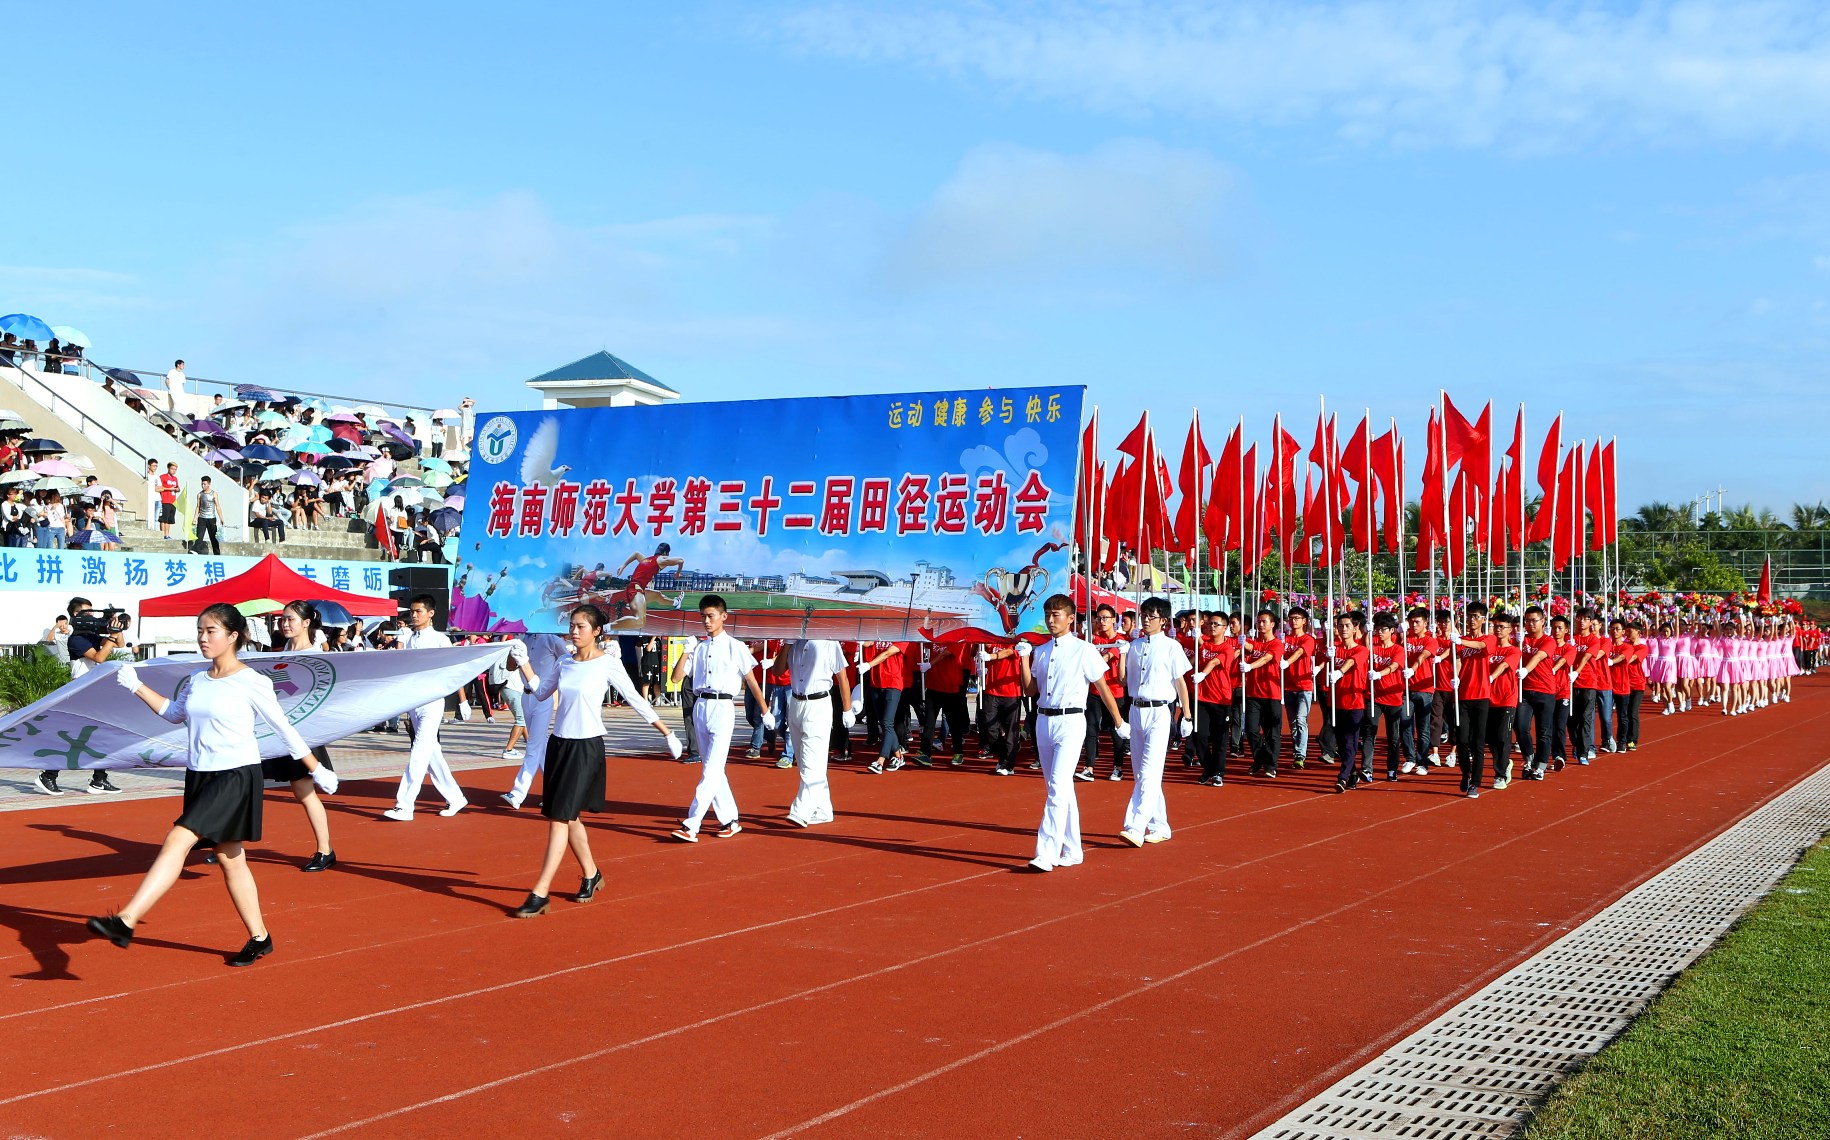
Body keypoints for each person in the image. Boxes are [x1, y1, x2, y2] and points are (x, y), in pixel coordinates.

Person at [88, 603, 336, 966]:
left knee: (178, 838)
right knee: (229, 859)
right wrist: (137, 685)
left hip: (236, 776)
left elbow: (285, 730)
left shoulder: (253, 681)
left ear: (233, 636)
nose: (203, 638)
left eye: (211, 631)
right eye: (200, 631)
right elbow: (175, 714)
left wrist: (316, 769)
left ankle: (125, 920)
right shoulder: (197, 680)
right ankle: (260, 937)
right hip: (201, 775)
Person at [510, 605, 680, 918]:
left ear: (596, 631)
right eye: (572, 626)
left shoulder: (608, 664)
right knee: (568, 816)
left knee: (559, 819)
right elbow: (541, 692)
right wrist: (524, 664)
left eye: (580, 627)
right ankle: (591, 874)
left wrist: (666, 732)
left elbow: (634, 697)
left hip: (587, 748)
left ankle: (540, 892)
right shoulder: (564, 661)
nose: (574, 632)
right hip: (559, 745)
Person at [1018, 594, 1126, 871]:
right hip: (1043, 720)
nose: (1051, 620)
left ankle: (1047, 852)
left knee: (1057, 788)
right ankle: (1074, 848)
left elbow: (1102, 687)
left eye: (1056, 615)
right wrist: (1023, 658)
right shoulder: (1041, 651)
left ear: (1070, 618)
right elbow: (1031, 691)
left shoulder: (1084, 650)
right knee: (1060, 788)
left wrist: (1118, 721)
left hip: (1071, 721)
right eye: (1048, 615)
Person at [668, 595, 770, 842]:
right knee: (711, 769)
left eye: (711, 615)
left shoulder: (735, 646)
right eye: (703, 616)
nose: (706, 621)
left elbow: (752, 682)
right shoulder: (699, 647)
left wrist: (765, 711)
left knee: (711, 769)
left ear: (724, 616)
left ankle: (692, 824)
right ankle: (730, 819)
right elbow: (676, 678)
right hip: (701, 706)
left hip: (723, 707)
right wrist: (686, 651)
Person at [267, 602, 340, 870]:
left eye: (290, 619)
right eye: (282, 620)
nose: (285, 624)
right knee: (245, 781)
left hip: (301, 733)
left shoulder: (316, 657)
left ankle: (325, 850)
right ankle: (225, 842)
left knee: (303, 789)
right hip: (272, 729)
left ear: (306, 623)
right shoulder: (281, 651)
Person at [384, 594, 469, 821]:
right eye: (412, 611)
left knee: (419, 752)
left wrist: (463, 700)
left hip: (432, 703)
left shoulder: (441, 640)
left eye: (418, 611)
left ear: (431, 613)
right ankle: (456, 797)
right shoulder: (410, 638)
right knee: (431, 753)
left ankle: (404, 805)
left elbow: (456, 671)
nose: (414, 615)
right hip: (415, 702)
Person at [1117, 597, 1191, 847]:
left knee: (1149, 771)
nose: (1146, 620)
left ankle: (1136, 826)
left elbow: (1180, 682)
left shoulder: (1172, 647)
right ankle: (1160, 825)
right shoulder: (1134, 646)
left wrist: (1187, 715)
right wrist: (1120, 655)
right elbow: (1123, 682)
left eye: (1152, 616)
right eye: (1144, 615)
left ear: (1164, 620)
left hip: (1160, 712)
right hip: (1136, 710)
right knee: (1142, 774)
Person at [772, 636, 854, 827]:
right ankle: (823, 809)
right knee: (805, 761)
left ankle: (801, 810)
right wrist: (787, 644)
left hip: (818, 704)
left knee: (811, 762)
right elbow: (777, 671)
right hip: (796, 702)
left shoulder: (829, 642)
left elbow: (842, 676)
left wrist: (847, 708)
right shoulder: (794, 642)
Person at [502, 633, 570, 809]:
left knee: (533, 745)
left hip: (544, 697)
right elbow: (510, 667)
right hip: (526, 696)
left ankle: (518, 793)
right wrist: (513, 651)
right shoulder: (522, 639)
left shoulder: (552, 640)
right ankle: (557, 790)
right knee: (540, 746)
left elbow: (568, 664)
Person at [1189, 611, 1238, 786]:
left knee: (1220, 738)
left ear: (1225, 628)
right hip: (1202, 697)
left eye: (1215, 624)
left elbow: (1214, 662)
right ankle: (1208, 767)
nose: (1211, 626)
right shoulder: (1204, 645)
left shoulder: (1227, 648)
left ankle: (1218, 772)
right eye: (1209, 624)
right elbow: (1197, 656)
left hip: (1221, 700)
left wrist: (1202, 674)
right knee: (1199, 734)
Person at [1240, 609, 1285, 778]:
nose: (1260, 624)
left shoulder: (1277, 644)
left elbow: (1267, 658)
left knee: (1272, 733)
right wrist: (1241, 638)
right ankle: (1260, 758)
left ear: (1272, 624)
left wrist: (1251, 666)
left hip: (1271, 694)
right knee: (1251, 730)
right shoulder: (1255, 642)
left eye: (1264, 621)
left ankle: (1271, 765)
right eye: (1258, 621)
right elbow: (1248, 646)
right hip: (1253, 694)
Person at [859, 640, 908, 773]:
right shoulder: (879, 634)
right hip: (876, 684)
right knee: (885, 724)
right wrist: (856, 637)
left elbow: (887, 653)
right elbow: (867, 644)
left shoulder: (902, 636)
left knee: (887, 722)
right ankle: (899, 756)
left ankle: (880, 761)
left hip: (893, 683)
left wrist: (869, 665)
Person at [194, 475, 222, 555]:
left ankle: (217, 554)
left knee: (213, 537)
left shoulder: (214, 494)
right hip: (202, 518)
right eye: (202, 484)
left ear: (209, 484)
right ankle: (195, 552)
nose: (203, 486)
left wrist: (221, 518)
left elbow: (218, 506)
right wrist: (195, 518)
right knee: (199, 537)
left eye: (204, 484)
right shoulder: (200, 494)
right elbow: (198, 507)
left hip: (211, 518)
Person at [157, 461, 180, 540]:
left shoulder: (175, 478)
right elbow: (159, 488)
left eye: (175, 469)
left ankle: (167, 534)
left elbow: (177, 487)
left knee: (169, 519)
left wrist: (177, 489)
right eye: (172, 469)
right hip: (165, 500)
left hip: (173, 501)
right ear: (168, 468)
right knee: (163, 519)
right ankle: (162, 534)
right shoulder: (162, 477)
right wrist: (169, 489)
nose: (174, 471)